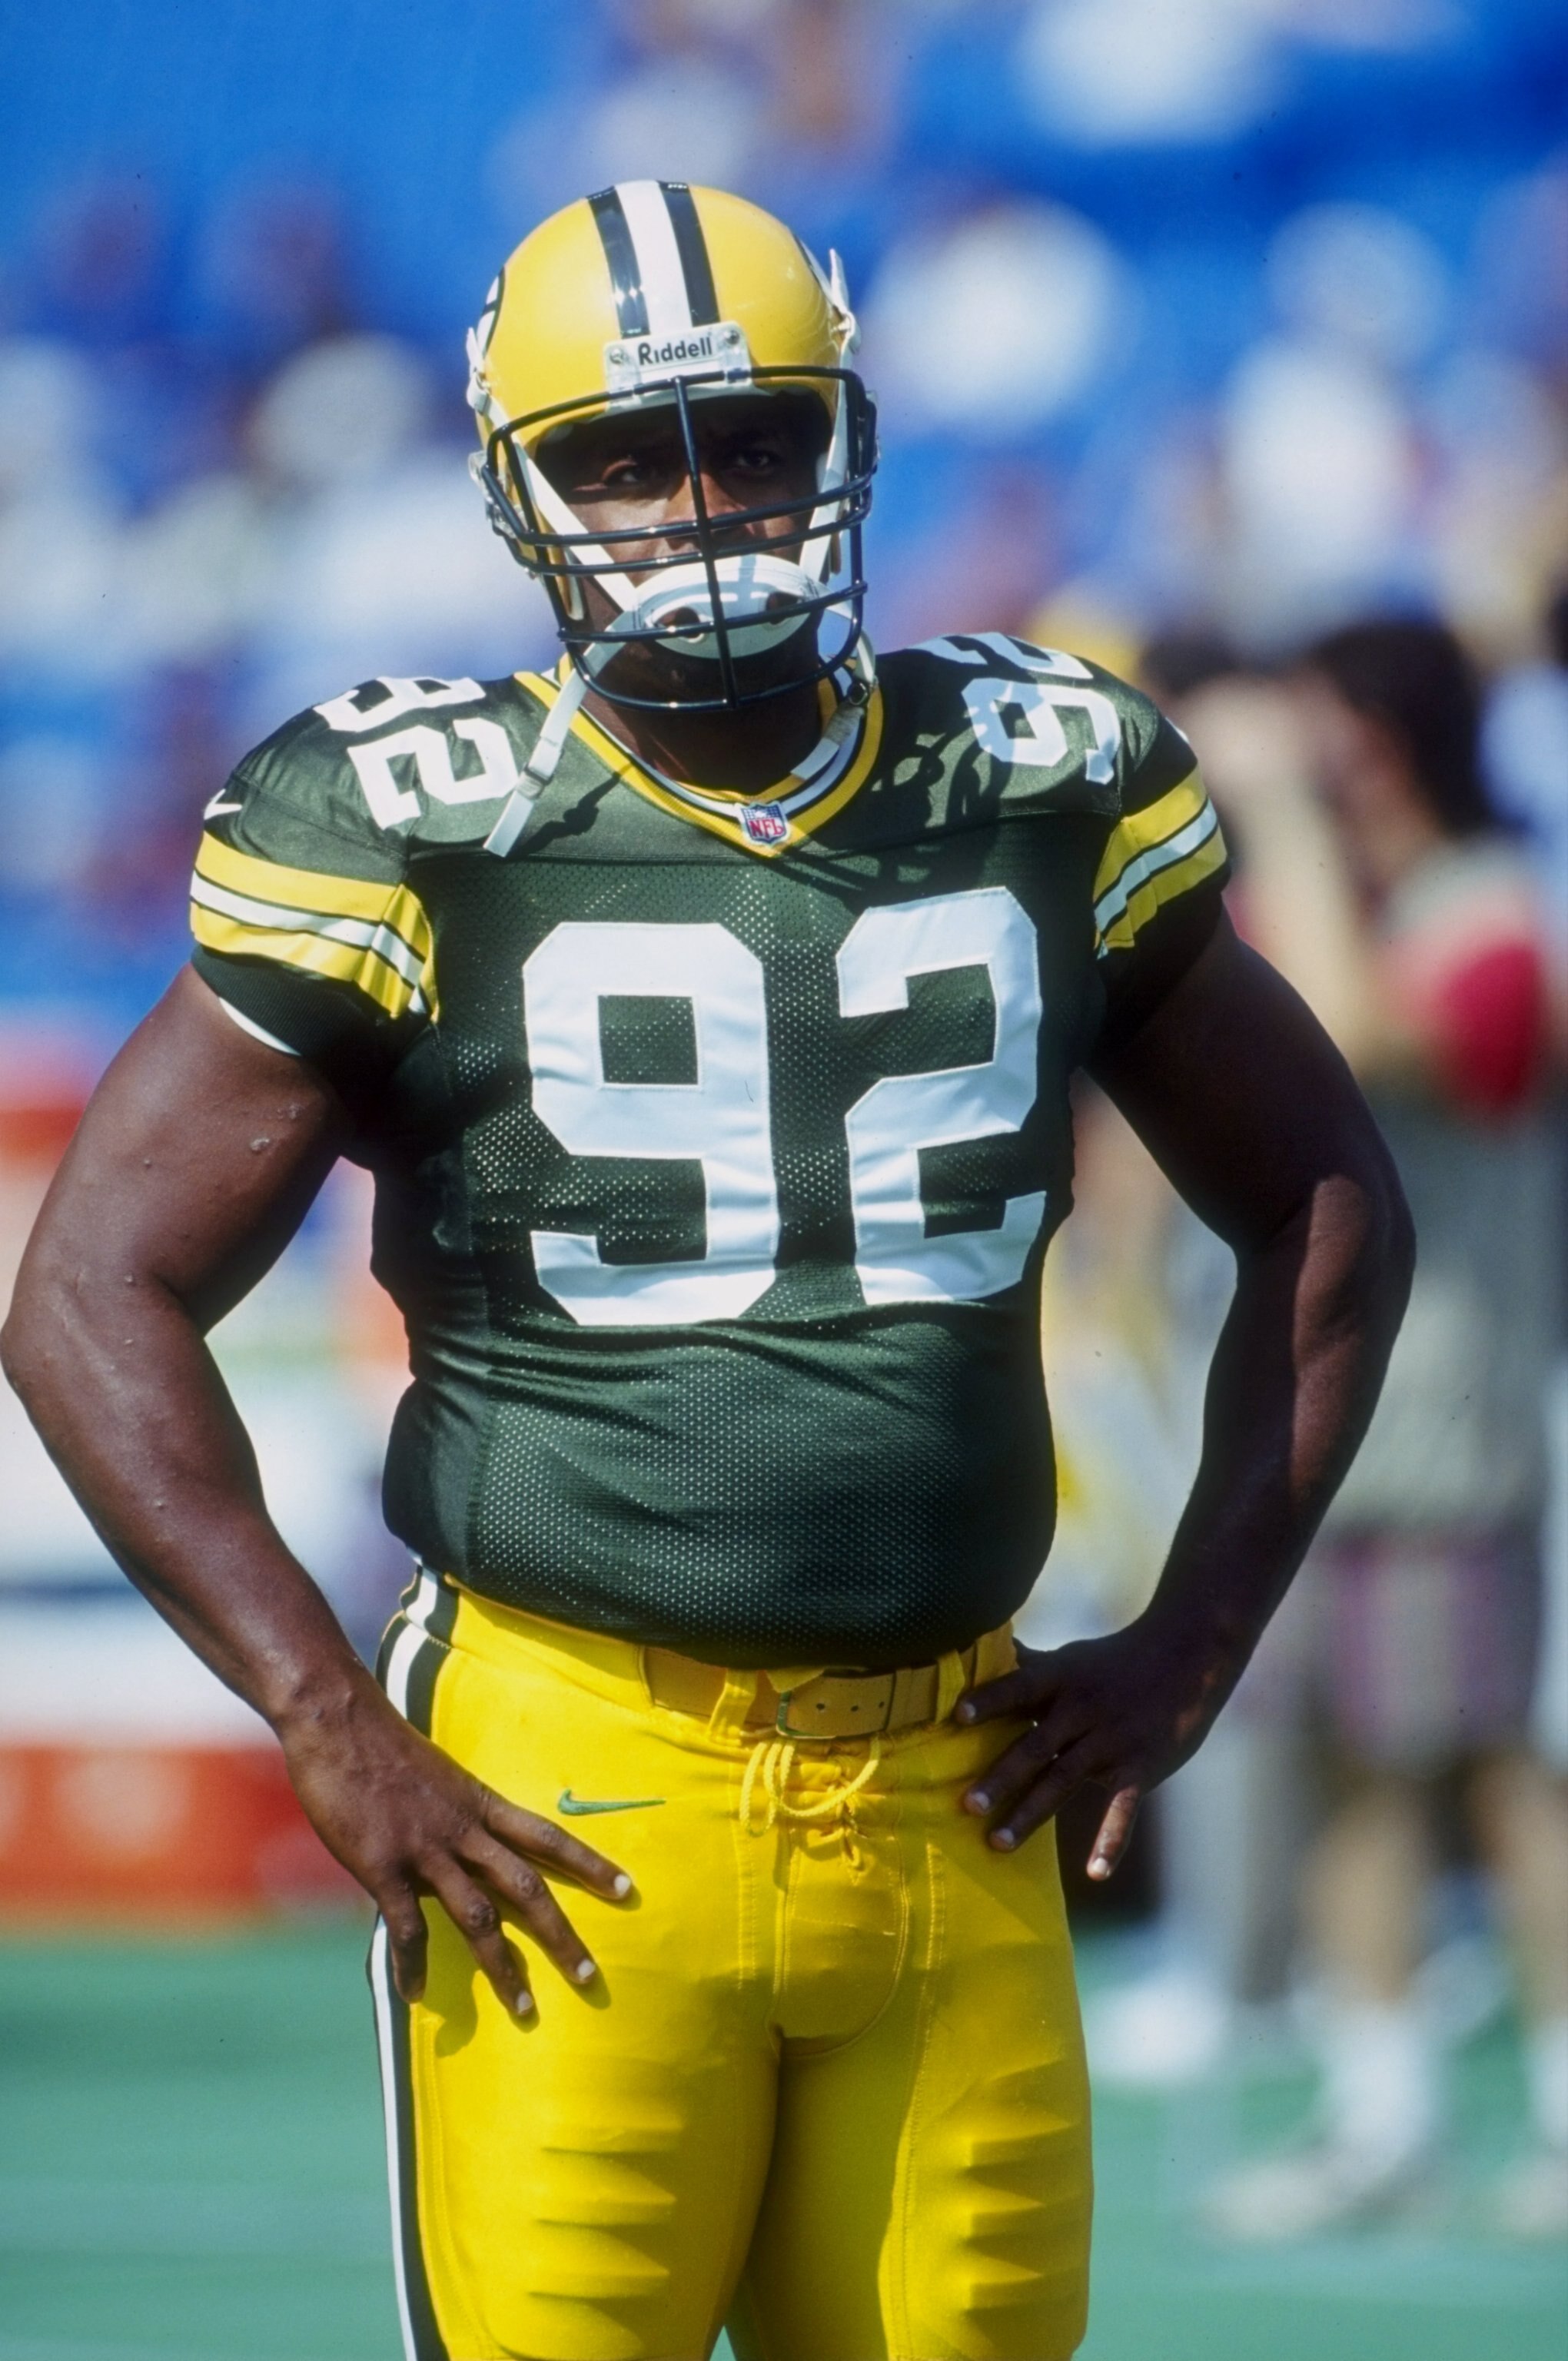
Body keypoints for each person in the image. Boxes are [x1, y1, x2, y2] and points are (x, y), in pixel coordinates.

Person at [2, 184, 1412, 2361]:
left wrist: (1200, 1638)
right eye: (623, 457)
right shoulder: (415, 816)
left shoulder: (1033, 776)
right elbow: (91, 1286)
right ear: (520, 491)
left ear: (847, 439)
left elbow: (1327, 1191)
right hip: (572, 1792)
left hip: (957, 1773)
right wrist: (319, 1709)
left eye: (754, 437)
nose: (698, 500)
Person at [1189, 620, 1568, 2240]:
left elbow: (1346, 1035)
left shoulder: (1496, 921)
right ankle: (1383, 2114)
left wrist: (1271, 814)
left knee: (1492, 1773)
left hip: (1449, 1427)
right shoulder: (1329, 905)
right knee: (1343, 1773)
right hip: (1320, 1431)